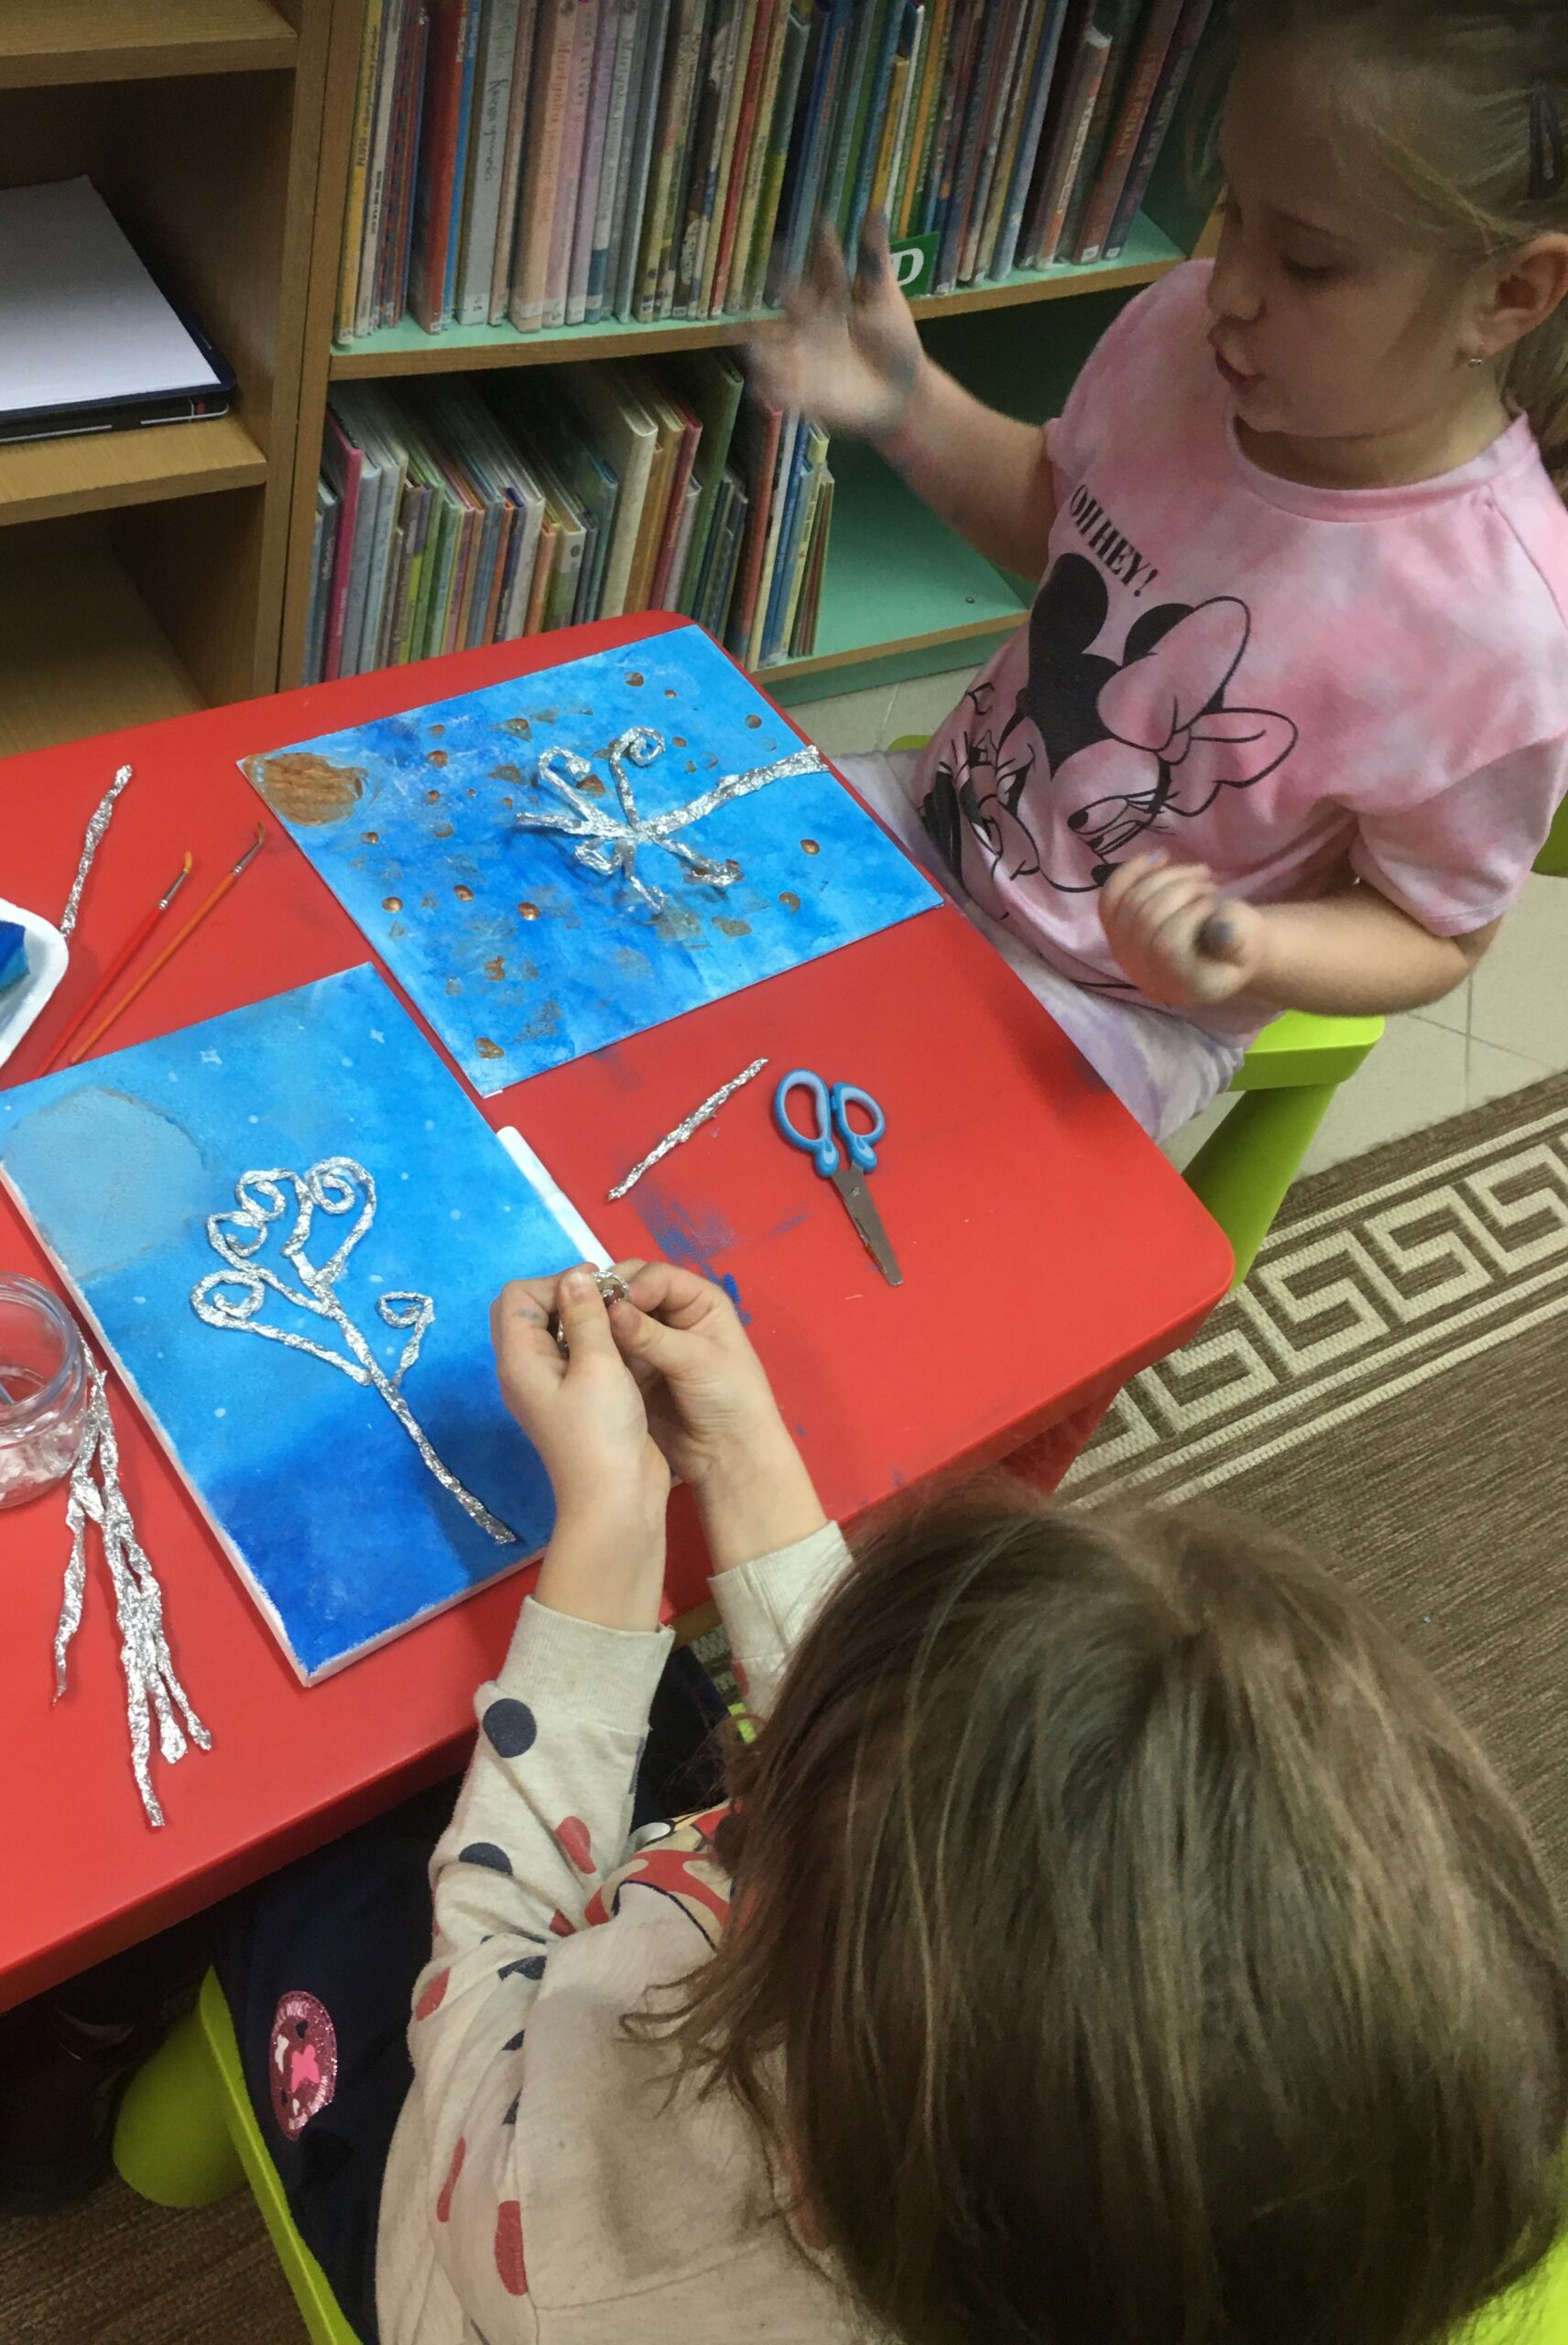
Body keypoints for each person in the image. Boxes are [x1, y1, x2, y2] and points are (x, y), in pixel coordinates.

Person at [310, 1260, 1563, 2345]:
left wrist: (612, 1522)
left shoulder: (600, 2245)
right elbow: (911, 1759)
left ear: (808, 2174)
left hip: (474, 2194)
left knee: (312, 1845)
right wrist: (741, 1458)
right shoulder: (1112, 2216)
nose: (770, 1795)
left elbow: (484, 1962)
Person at [749, 0, 1568, 1140]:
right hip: (933, 822)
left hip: (1112, 1003)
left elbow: (1433, 930)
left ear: (1508, 295)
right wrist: (905, 403)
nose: (1227, 285)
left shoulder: (1497, 629)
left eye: (1306, 262)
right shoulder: (1183, 333)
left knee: (881, 1192)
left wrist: (1250, 945)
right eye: (1232, 211)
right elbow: (1059, 529)